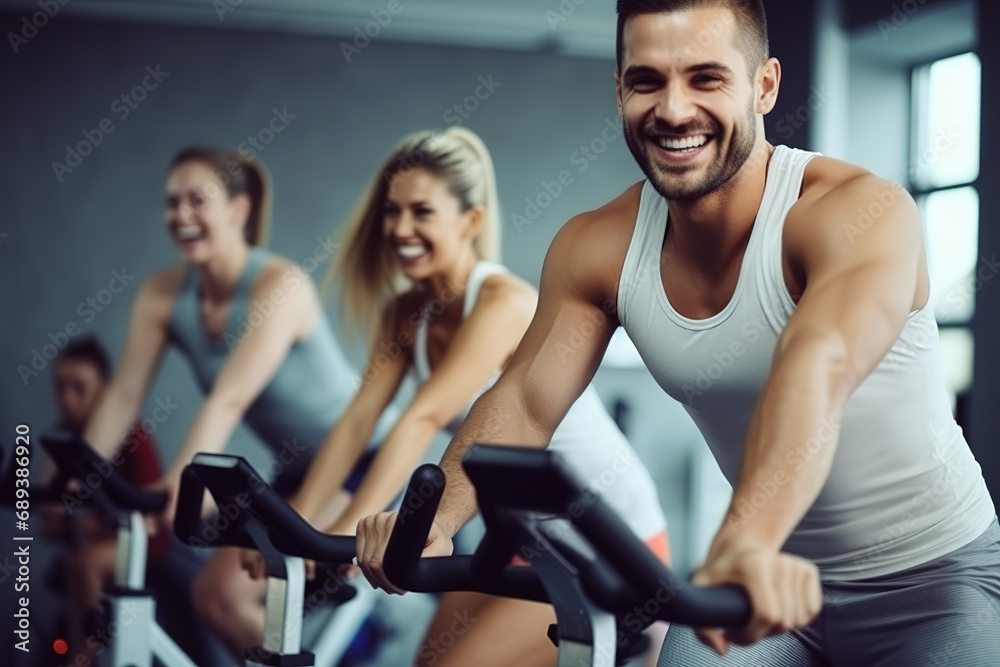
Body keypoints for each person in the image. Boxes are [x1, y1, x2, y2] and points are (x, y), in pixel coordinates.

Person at [355, 2, 1000, 666]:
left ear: (765, 86)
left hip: (935, 578)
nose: (672, 109)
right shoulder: (596, 247)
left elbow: (820, 362)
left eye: (706, 78)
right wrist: (430, 520)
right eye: (646, 81)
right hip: (762, 586)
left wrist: (745, 540)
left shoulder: (855, 211)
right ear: (619, 90)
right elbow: (523, 398)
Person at [240, 126, 670, 666]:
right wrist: (301, 524)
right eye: (392, 212)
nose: (400, 228)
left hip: (610, 545)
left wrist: (352, 520)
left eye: (421, 212)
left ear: (471, 221)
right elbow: (358, 422)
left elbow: (423, 417)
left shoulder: (503, 302)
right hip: (521, 540)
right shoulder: (406, 313)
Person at [83, 147, 379, 659]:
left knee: (228, 593)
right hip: (299, 473)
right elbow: (123, 395)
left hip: (364, 461)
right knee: (213, 599)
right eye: (172, 202)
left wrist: (179, 483)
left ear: (239, 211)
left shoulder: (280, 285)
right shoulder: (163, 294)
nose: (180, 215)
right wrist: (69, 479)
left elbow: (230, 398)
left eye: (197, 200)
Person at [42, 336, 163, 664]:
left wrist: (89, 522)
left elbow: (155, 512)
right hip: (99, 538)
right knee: (74, 565)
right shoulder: (65, 436)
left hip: (145, 539)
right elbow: (46, 510)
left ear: (104, 390)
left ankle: (83, 655)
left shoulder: (133, 437)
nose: (67, 398)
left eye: (79, 388)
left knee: (83, 563)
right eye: (61, 386)